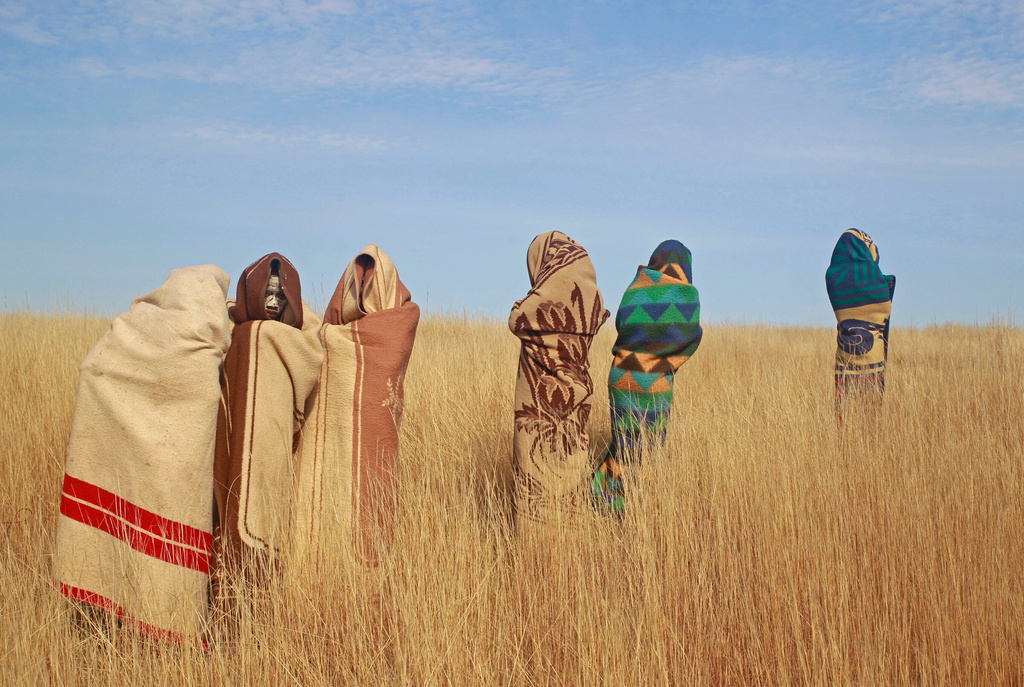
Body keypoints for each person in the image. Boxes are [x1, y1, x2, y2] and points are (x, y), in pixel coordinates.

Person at [52, 265, 232, 645]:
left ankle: (136, 625)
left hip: (171, 469)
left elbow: (93, 369)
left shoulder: (136, 327)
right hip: (174, 473)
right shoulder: (210, 341)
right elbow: (96, 373)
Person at [293, 245, 420, 570]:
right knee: (326, 497)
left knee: (371, 503)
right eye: (359, 284)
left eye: (373, 283)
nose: (365, 291)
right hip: (333, 437)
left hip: (375, 439)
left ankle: (359, 589)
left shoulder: (396, 325)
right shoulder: (327, 338)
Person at [212, 253, 323, 601]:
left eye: (280, 295)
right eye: (267, 294)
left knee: (266, 521)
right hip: (228, 443)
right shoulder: (233, 334)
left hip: (274, 454)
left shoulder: (299, 338)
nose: (273, 302)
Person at [591, 240, 702, 514]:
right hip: (656, 382)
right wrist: (665, 358)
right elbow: (691, 338)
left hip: (621, 374)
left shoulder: (636, 287)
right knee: (645, 454)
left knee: (623, 446)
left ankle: (601, 500)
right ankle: (626, 513)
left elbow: (621, 325)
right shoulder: (685, 294)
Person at [509, 231, 609, 534]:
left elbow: (517, 319)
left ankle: (536, 552)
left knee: (535, 471)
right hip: (577, 398)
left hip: (538, 403)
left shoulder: (538, 305)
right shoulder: (591, 301)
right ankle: (567, 548)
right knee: (569, 466)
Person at [825, 229, 896, 417]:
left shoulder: (832, 276)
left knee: (846, 414)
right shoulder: (872, 276)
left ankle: (846, 442)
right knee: (870, 416)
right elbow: (883, 308)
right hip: (873, 357)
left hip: (845, 358)